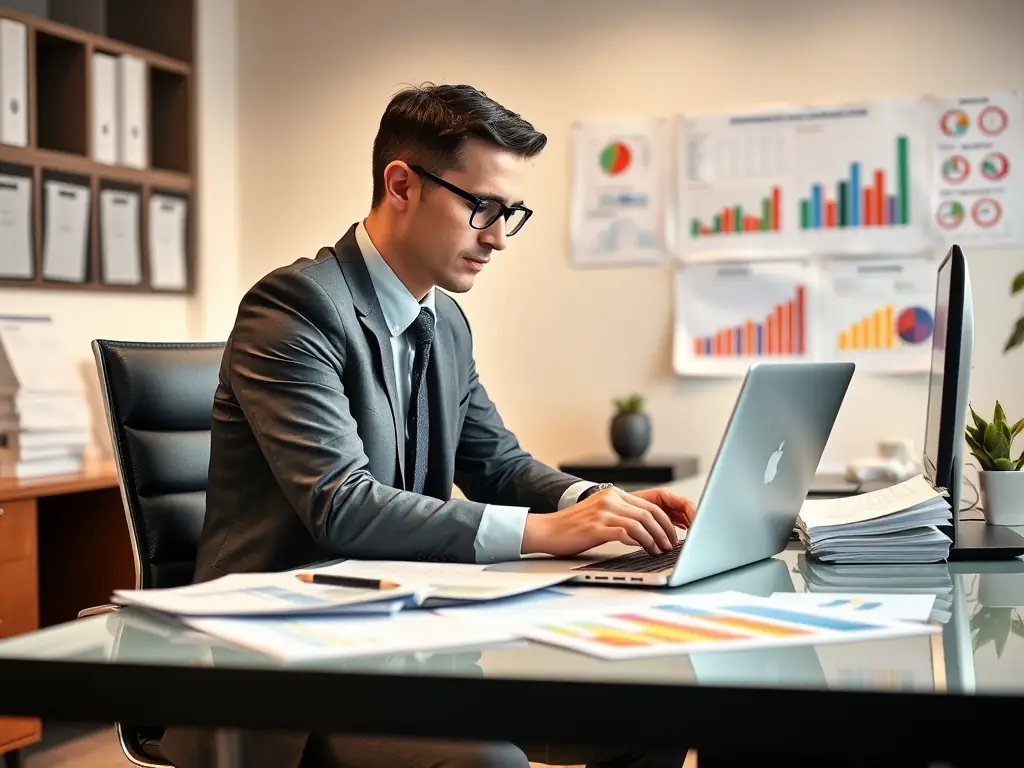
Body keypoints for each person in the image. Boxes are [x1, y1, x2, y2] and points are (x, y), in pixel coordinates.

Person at [161, 83, 698, 768]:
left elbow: (498, 464)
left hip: (407, 642)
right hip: (283, 669)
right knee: (486, 762)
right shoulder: (292, 308)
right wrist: (544, 531)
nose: (500, 238)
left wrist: (592, 502)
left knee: (655, 705)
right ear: (401, 185)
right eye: (483, 208)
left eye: (512, 214)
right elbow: (342, 505)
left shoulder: (443, 323)